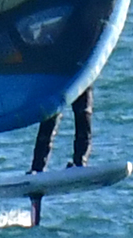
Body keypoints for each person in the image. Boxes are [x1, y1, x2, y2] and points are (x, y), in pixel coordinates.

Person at [27, 85, 92, 226]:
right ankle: (37, 168)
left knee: (83, 115)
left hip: (81, 77)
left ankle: (80, 162)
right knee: (49, 120)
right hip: (58, 77)